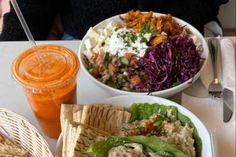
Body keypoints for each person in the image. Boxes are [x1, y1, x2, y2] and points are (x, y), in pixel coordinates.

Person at [0, 0, 229, 41]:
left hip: (179, 28)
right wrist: (8, 53)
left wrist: (171, 24)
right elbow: (30, 9)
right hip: (85, 37)